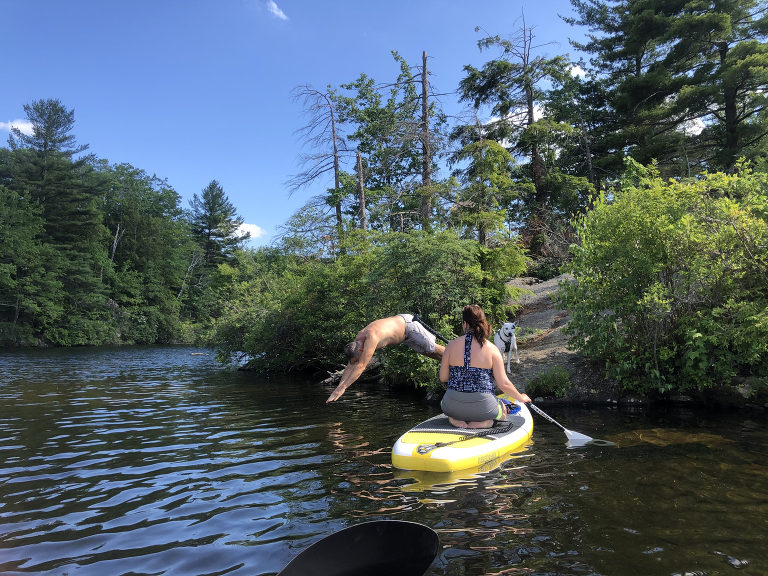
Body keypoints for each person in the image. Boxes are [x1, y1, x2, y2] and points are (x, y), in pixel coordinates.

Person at [439, 304, 531, 428]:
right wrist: (521, 398)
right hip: (484, 408)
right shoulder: (492, 349)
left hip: (451, 407)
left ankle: (454, 419)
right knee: (503, 410)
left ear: (465, 324)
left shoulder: (450, 346)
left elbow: (443, 378)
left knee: (445, 404)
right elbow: (504, 384)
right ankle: (484, 423)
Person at [326, 314, 445, 403]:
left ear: (360, 350)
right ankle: (450, 363)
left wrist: (343, 388)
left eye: (357, 358)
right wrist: (338, 388)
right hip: (405, 336)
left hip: (408, 325)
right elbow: (351, 365)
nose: (357, 360)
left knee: (432, 348)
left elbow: (361, 366)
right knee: (425, 352)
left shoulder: (371, 338)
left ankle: (455, 355)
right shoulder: (357, 341)